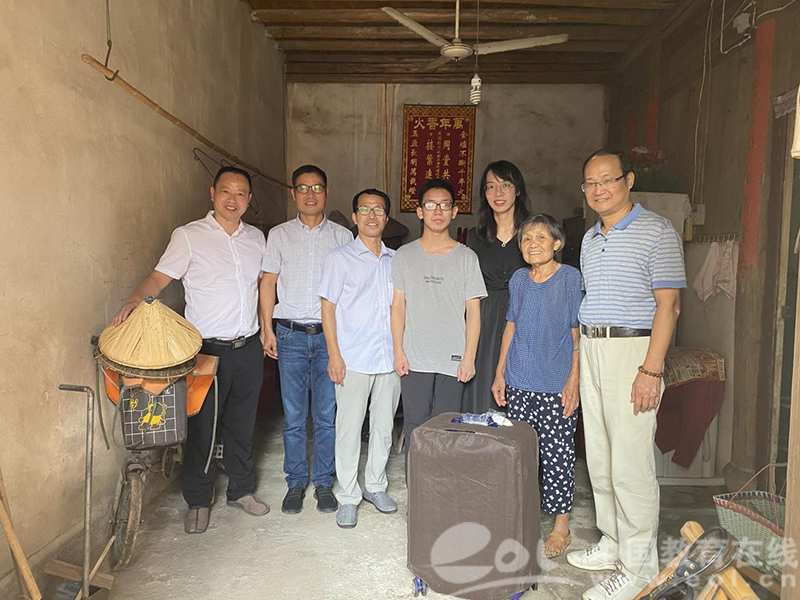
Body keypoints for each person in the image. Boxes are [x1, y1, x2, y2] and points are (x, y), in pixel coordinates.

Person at [112, 166, 270, 534]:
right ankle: (198, 499)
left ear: (249, 200)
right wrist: (136, 300)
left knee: (242, 424)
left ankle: (241, 490)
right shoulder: (188, 236)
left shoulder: (257, 240)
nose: (233, 199)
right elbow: (158, 277)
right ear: (212, 193)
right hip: (205, 351)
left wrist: (266, 330)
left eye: (241, 193)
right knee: (202, 427)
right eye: (226, 191)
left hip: (248, 347)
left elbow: (265, 287)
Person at [567, 150, 684, 600]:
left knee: (631, 464)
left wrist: (650, 370)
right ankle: (613, 543)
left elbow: (669, 306)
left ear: (628, 180)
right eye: (590, 183)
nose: (599, 189)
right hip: (594, 347)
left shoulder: (658, 231)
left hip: (633, 351)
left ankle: (638, 569)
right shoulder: (589, 238)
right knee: (600, 455)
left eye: (607, 180)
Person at [260, 165, 353, 515]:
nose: (310, 194)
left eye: (317, 188)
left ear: (326, 193)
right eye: (303, 188)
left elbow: (351, 289)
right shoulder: (279, 235)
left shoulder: (342, 237)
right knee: (295, 417)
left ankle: (324, 482)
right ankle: (296, 482)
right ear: (293, 194)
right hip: (290, 336)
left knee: (327, 415)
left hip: (329, 338)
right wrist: (267, 329)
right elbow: (268, 283)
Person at [491, 214, 581, 559]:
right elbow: (510, 327)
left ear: (557, 243)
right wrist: (500, 373)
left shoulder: (569, 278)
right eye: (527, 238)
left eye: (541, 237)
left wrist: (574, 380)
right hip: (519, 381)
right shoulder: (519, 279)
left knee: (558, 456)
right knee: (521, 454)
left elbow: (577, 333)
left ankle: (561, 527)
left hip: (555, 384)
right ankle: (522, 520)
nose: (532, 244)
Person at [318, 189, 401, 529]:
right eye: (365, 210)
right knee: (349, 429)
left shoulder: (397, 260)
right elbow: (327, 308)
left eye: (378, 210)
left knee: (383, 426)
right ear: (354, 217)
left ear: (386, 218)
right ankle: (348, 495)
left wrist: (401, 352)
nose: (371, 216)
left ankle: (376, 486)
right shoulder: (339, 258)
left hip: (389, 357)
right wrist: (334, 355)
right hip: (352, 358)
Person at [391, 178, 487, 455]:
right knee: (415, 426)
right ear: (419, 211)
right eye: (431, 205)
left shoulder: (467, 258)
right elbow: (398, 306)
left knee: (447, 429)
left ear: (454, 211)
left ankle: (442, 482)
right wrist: (398, 351)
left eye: (445, 205)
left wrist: (469, 357)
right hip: (415, 357)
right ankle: (417, 482)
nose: (438, 211)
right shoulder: (404, 256)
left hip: (453, 359)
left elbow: (474, 311)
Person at [463, 160, 532, 414]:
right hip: (485, 319)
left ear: (518, 190)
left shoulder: (532, 233)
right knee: (482, 386)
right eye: (491, 186)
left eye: (505, 185)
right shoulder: (475, 236)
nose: (498, 193)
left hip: (523, 317)